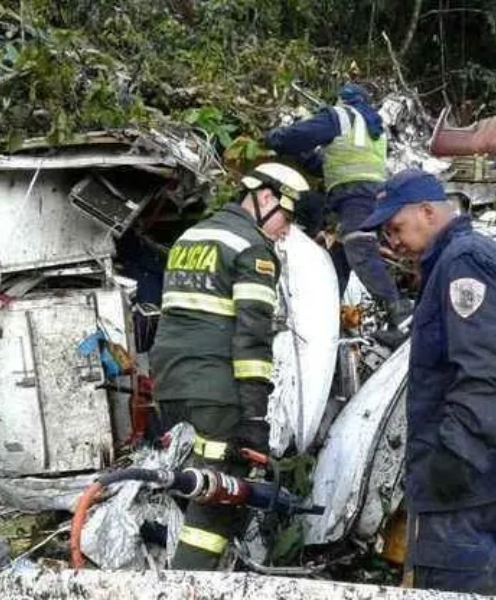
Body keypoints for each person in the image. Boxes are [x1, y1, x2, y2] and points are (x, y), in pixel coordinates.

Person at [360, 169, 496, 594]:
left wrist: (454, 458)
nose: (393, 242)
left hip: (471, 477)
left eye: (396, 227)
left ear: (427, 211)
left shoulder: (465, 261)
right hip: (479, 471)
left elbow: (484, 370)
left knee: (452, 583)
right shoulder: (455, 259)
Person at [149, 162, 309, 570]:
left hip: (170, 386)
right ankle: (188, 584)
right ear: (266, 198)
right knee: (220, 497)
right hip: (216, 393)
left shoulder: (191, 237)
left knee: (186, 483)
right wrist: (255, 418)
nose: (285, 230)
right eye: (286, 218)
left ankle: (170, 569)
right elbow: (252, 342)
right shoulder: (253, 249)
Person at [265, 83, 412, 332]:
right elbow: (332, 164)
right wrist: (304, 157)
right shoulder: (372, 126)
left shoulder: (341, 115)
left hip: (354, 197)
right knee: (337, 264)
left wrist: (273, 138)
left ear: (342, 100)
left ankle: (400, 314)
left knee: (360, 252)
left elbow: (297, 136)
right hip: (369, 197)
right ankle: (325, 323)